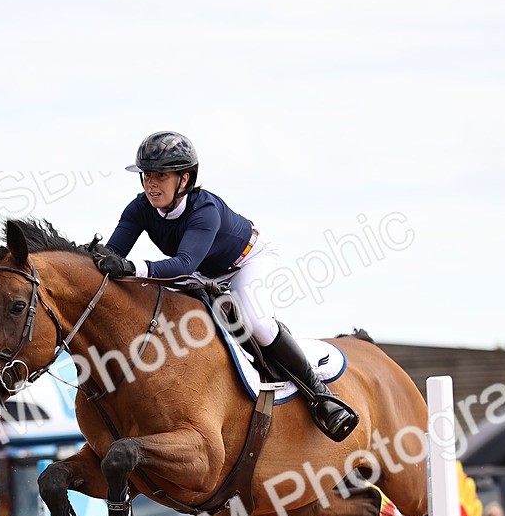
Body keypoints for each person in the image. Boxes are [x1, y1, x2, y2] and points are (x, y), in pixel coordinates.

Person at [95, 130, 358, 442]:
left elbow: (184, 264)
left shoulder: (204, 209)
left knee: (258, 324)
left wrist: (130, 268)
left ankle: (321, 396)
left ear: (184, 179)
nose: (151, 184)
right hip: (203, 273)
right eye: (147, 176)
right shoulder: (139, 209)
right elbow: (112, 253)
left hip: (245, 262)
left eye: (161, 176)